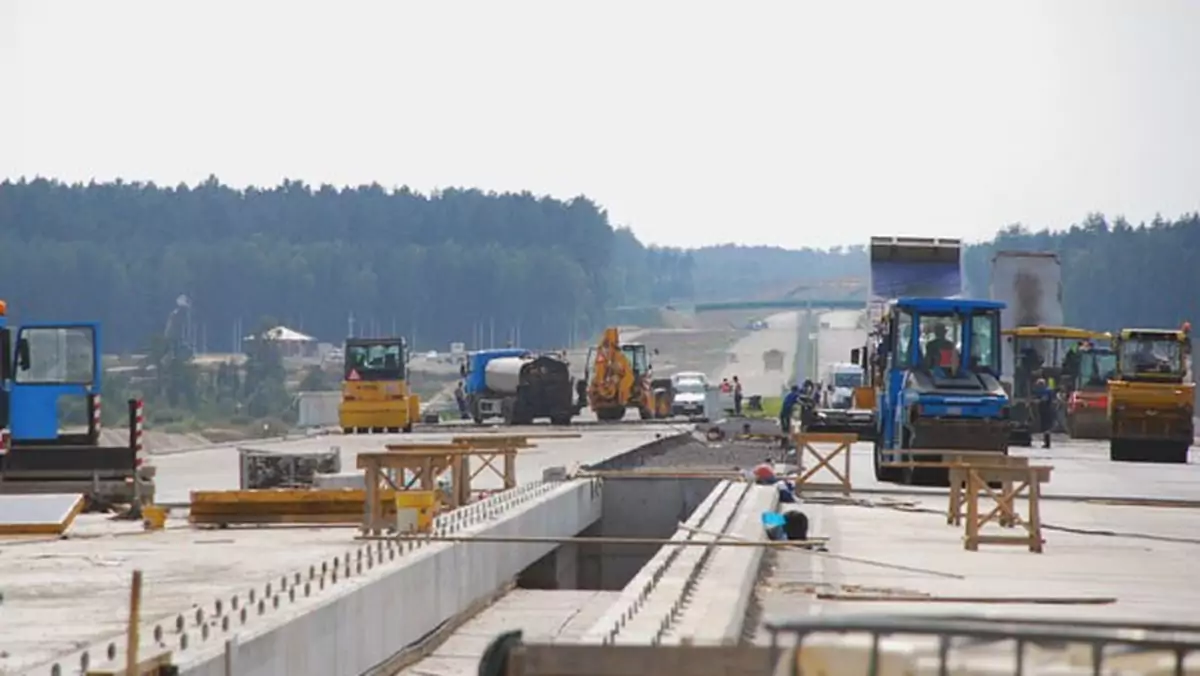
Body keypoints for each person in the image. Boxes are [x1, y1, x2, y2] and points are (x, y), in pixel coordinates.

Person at [1032, 377, 1054, 448]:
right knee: (1045, 427)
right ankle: (1046, 442)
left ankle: (1047, 443)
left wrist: (1037, 401)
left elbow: (1045, 399)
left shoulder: (1047, 391)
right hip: (1043, 411)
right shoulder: (1043, 391)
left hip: (1047, 411)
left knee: (1046, 427)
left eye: (1039, 385)